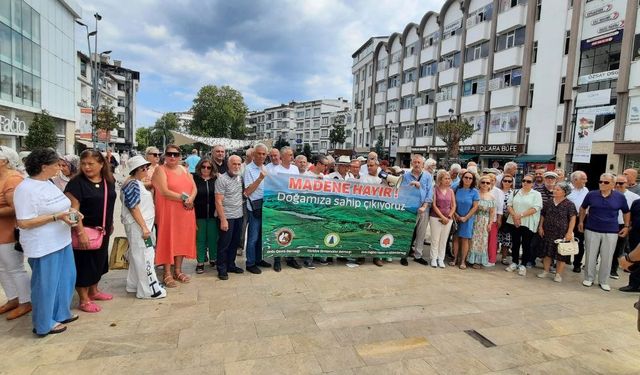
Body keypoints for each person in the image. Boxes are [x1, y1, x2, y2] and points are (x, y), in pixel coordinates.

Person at [15, 148, 79, 336]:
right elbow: (24, 222)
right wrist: (56, 217)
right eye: (56, 164)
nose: (60, 167)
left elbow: (61, 206)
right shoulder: (26, 189)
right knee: (45, 285)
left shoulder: (49, 183)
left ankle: (61, 312)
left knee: (66, 279)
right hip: (43, 245)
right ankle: (43, 323)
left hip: (62, 239)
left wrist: (71, 214)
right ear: (44, 167)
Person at [65, 149, 117, 313]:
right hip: (85, 230)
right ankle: (84, 298)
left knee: (99, 261)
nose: (87, 167)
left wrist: (110, 222)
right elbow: (72, 212)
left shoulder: (108, 181)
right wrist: (80, 233)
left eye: (91, 164)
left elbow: (109, 203)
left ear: (101, 164)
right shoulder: (76, 183)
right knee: (84, 264)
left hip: (103, 229)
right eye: (84, 164)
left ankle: (94, 291)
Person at [121, 156, 166, 299]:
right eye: (143, 168)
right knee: (145, 256)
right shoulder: (133, 184)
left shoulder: (135, 183)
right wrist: (144, 227)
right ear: (136, 170)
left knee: (137, 257)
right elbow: (133, 207)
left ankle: (134, 284)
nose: (146, 170)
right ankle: (150, 290)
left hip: (140, 225)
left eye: (147, 167)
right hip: (139, 226)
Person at [152, 145, 197, 288]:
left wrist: (191, 198)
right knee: (168, 239)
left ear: (180, 156)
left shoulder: (184, 169)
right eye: (169, 154)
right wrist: (184, 198)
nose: (172, 157)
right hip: (168, 212)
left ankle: (178, 270)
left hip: (185, 211)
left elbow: (194, 187)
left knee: (182, 239)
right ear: (164, 155)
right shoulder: (160, 169)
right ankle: (167, 272)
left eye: (176, 154)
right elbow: (164, 191)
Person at [579, 173, 630, 292]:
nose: (602, 184)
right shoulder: (591, 195)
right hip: (591, 228)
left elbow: (626, 212)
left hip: (611, 230)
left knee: (607, 257)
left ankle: (604, 281)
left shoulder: (620, 197)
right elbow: (583, 208)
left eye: (606, 182)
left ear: (612, 184)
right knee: (590, 254)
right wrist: (581, 221)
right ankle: (589, 278)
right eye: (600, 181)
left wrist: (626, 226)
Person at [0, 146, 31, 320]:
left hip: (9, 232)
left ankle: (25, 301)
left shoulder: (13, 179)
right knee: (2, 268)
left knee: (14, 268)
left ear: (4, 161)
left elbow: (16, 208)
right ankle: (13, 298)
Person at [537, 182, 577, 283]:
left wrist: (569, 232)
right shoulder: (549, 202)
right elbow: (543, 215)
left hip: (561, 232)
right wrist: (541, 226)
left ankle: (558, 274)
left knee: (561, 254)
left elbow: (573, 218)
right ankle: (545, 271)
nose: (554, 190)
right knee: (547, 252)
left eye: (557, 189)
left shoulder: (569, 204)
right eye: (554, 189)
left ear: (564, 192)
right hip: (548, 231)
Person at [505, 173, 542, 277]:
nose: (525, 183)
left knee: (526, 244)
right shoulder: (515, 192)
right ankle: (514, 262)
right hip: (514, 222)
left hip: (527, 223)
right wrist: (515, 216)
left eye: (528, 181)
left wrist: (519, 216)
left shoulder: (536, 194)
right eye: (524, 181)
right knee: (515, 243)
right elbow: (509, 205)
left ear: (533, 184)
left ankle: (523, 265)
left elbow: (535, 208)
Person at [215, 155, 245, 280]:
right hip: (227, 217)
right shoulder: (222, 179)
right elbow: (218, 201)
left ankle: (231, 265)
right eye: (234, 164)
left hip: (238, 216)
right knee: (224, 244)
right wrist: (223, 219)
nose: (237, 166)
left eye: (239, 164)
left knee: (234, 243)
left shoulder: (239, 177)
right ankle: (221, 268)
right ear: (228, 165)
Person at [244, 144, 272, 274]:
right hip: (254, 207)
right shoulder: (249, 169)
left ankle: (258, 259)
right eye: (259, 153)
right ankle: (250, 263)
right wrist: (260, 178)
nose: (261, 156)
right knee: (253, 237)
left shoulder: (265, 167)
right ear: (254, 154)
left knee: (261, 236)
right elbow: (248, 191)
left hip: (265, 206)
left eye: (263, 154)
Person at [401, 155, 433, 266]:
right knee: (408, 232)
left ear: (423, 164)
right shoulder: (406, 176)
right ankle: (403, 254)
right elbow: (402, 191)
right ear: (411, 163)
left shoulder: (428, 176)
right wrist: (411, 186)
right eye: (415, 162)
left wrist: (424, 206)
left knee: (421, 233)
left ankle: (418, 255)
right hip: (410, 208)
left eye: (419, 162)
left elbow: (430, 193)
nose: (417, 164)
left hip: (424, 208)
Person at [609, 175, 639, 279]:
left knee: (618, 249)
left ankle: (613, 269)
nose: (618, 185)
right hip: (607, 225)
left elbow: (634, 215)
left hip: (622, 225)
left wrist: (628, 227)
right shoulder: (607, 193)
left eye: (621, 183)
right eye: (616, 183)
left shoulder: (634, 197)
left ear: (626, 184)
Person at [193, 157, 219, 274]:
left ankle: (213, 258)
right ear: (199, 167)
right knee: (200, 239)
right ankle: (200, 262)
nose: (206, 169)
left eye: (209, 167)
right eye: (203, 167)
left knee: (213, 238)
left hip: (213, 214)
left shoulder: (216, 179)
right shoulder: (194, 179)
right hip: (199, 214)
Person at [451, 171, 479, 269]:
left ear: (473, 180)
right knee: (455, 239)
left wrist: (466, 217)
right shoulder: (456, 189)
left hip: (468, 219)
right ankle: (454, 259)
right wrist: (456, 215)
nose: (467, 179)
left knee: (465, 240)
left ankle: (463, 261)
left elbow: (475, 207)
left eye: (470, 178)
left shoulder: (475, 191)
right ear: (462, 178)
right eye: (466, 177)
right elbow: (452, 203)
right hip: (456, 217)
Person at [467, 175, 496, 269]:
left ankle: (478, 261)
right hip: (474, 218)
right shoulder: (475, 193)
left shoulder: (492, 197)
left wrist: (490, 223)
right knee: (471, 238)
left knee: (482, 241)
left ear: (490, 184)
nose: (485, 184)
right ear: (480, 183)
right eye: (483, 182)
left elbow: (492, 212)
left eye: (487, 183)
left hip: (484, 221)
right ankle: (469, 258)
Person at [429, 170, 456, 268]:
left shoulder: (451, 191)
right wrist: (442, 217)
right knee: (435, 239)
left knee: (444, 240)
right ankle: (433, 258)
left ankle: (441, 259)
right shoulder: (435, 189)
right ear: (440, 179)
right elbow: (434, 205)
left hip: (448, 219)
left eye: (449, 179)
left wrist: (448, 217)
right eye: (446, 178)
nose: (448, 180)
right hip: (435, 217)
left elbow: (453, 206)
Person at [567, 170, 589, 273]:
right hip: (566, 218)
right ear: (575, 180)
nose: (586, 180)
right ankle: (564, 260)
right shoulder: (567, 189)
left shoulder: (586, 190)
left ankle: (577, 264)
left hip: (581, 219)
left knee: (579, 242)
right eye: (583, 179)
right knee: (565, 240)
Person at [620, 199, 640, 292]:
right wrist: (628, 229)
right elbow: (630, 219)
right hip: (635, 235)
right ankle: (633, 285)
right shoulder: (636, 202)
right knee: (635, 262)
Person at [486, 173, 503, 267]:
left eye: (492, 180)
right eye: (489, 180)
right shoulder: (482, 190)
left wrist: (499, 219)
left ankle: (492, 259)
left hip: (493, 219)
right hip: (482, 218)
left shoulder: (498, 192)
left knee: (492, 240)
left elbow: (500, 207)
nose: (490, 182)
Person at [498, 173, 515, 265]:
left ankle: (504, 257)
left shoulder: (514, 193)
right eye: (505, 180)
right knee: (496, 238)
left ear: (512, 183)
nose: (507, 182)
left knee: (506, 239)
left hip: (508, 218)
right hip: (498, 217)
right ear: (502, 182)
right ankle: (493, 255)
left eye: (509, 181)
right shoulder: (498, 191)